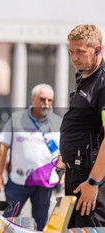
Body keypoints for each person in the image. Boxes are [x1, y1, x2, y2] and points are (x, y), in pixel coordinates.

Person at [0, 84, 62, 231]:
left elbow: (64, 152)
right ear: (33, 99)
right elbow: (2, 147)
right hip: (18, 183)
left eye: (50, 100)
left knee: (40, 224)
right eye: (42, 99)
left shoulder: (58, 122)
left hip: (45, 184)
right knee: (8, 222)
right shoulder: (16, 119)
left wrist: (63, 174)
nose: (46, 104)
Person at [60, 24, 105, 227]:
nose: (74, 58)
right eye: (71, 52)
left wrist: (94, 182)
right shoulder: (83, 76)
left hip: (91, 179)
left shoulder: (102, 83)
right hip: (75, 174)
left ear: (97, 51)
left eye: (80, 52)